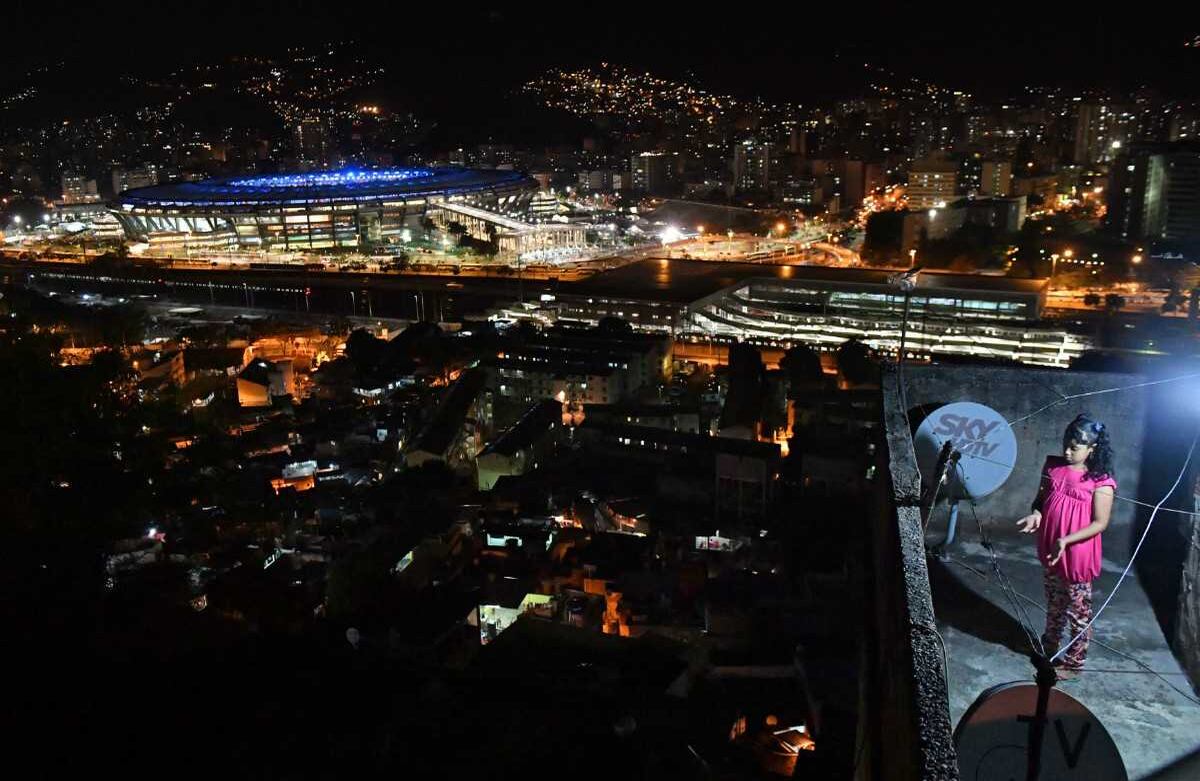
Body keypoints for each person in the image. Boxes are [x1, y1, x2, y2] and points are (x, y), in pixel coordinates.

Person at [1015, 414, 1116, 680]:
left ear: (1092, 449)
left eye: (1075, 447)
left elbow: (1100, 523)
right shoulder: (1053, 466)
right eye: (1066, 445)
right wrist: (1036, 514)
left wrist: (1067, 540)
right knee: (1054, 600)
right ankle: (1050, 645)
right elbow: (1040, 500)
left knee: (1078, 609)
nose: (1067, 452)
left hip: (1077, 552)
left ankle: (1074, 662)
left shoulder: (1101, 480)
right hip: (1052, 546)